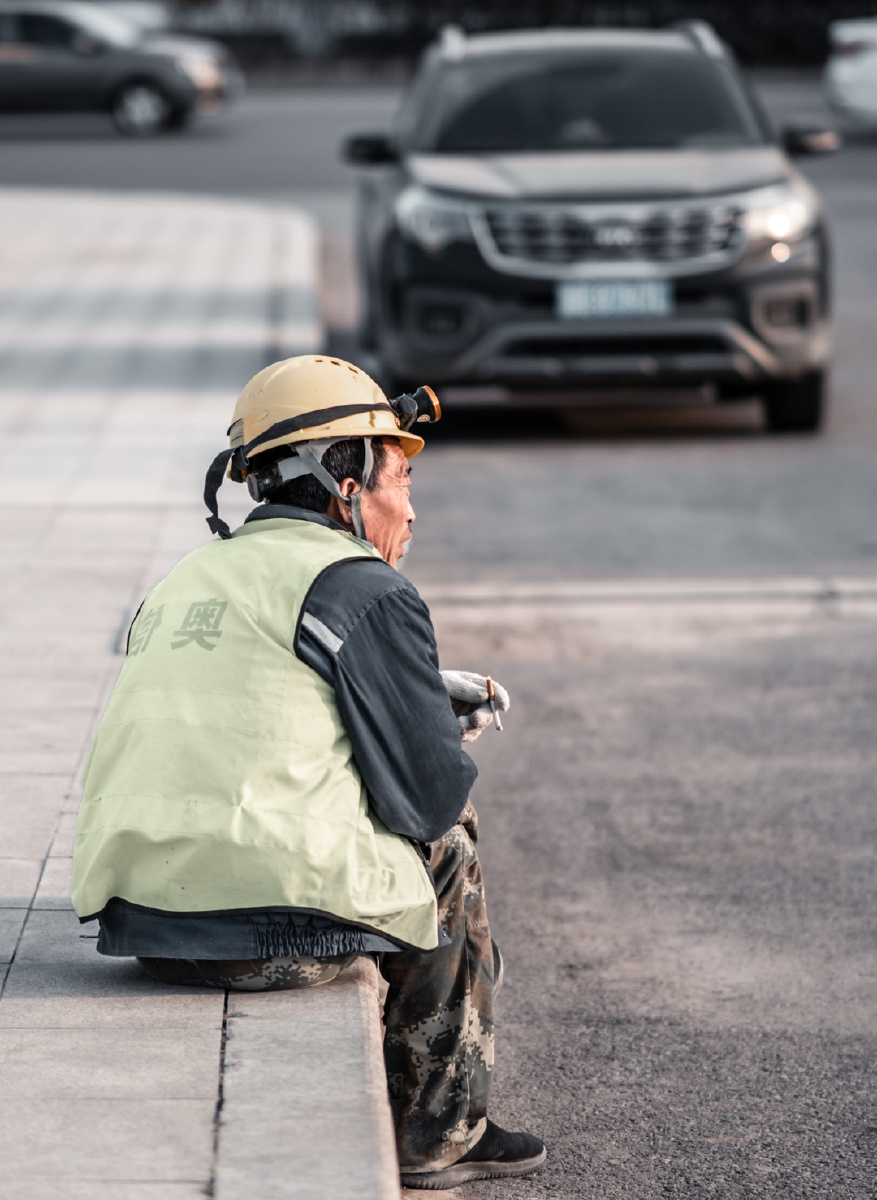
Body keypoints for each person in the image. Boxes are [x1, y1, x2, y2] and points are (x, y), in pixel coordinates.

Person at [71, 355, 546, 1189]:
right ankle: (439, 1132)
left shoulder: (186, 577)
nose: (409, 508)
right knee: (448, 845)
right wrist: (430, 723)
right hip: (268, 939)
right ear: (344, 474)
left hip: (142, 923)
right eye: (398, 477)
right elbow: (428, 797)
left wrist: (398, 696)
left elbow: (250, 713)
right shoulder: (361, 587)